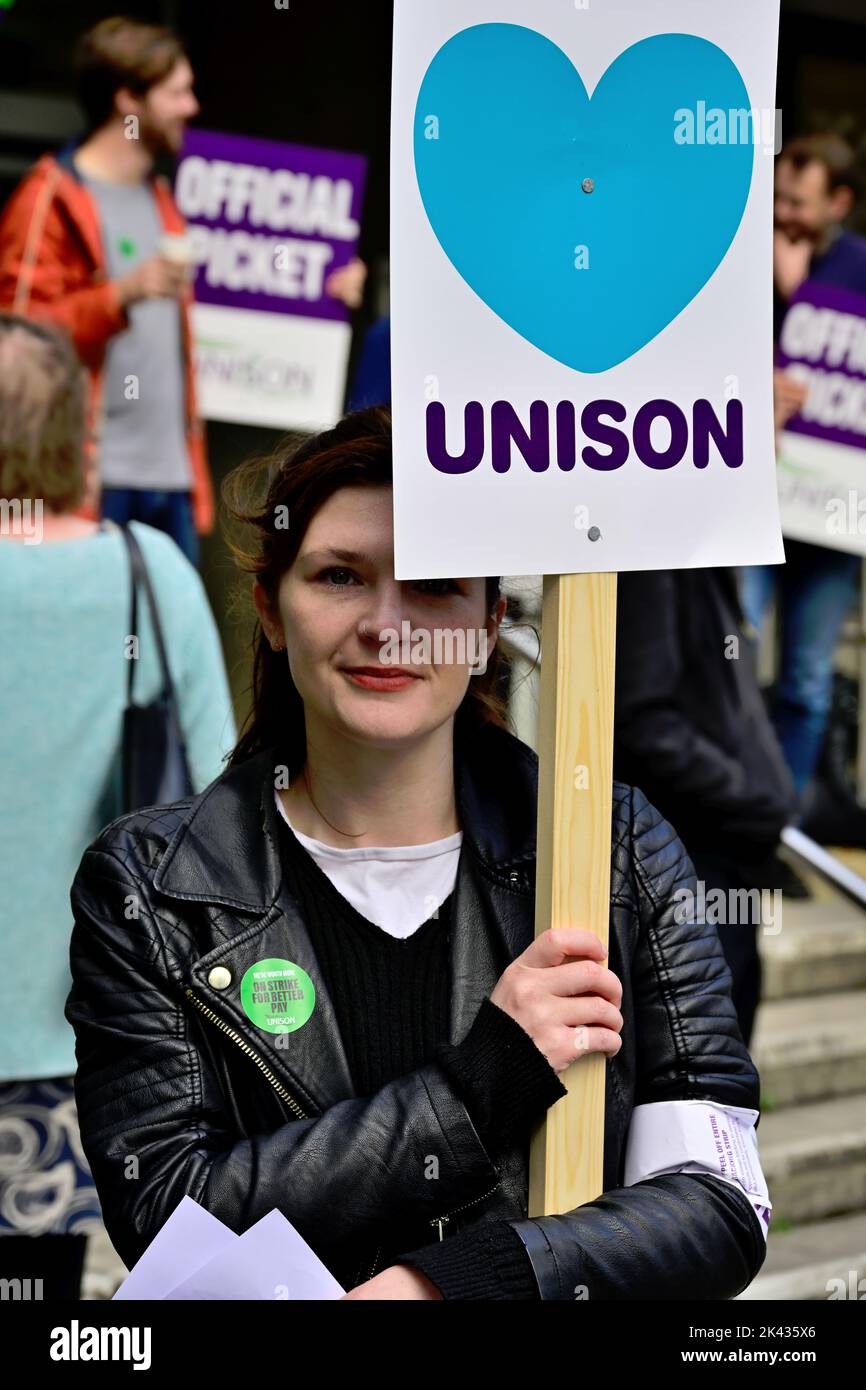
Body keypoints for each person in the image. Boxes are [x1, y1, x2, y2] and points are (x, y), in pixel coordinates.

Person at [66, 407, 770, 1301]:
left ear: (486, 628)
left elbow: (719, 1200)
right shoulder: (156, 886)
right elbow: (168, 1215)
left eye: (434, 585)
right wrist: (485, 1081)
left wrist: (446, 1289)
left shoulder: (616, 851)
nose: (387, 623)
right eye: (340, 577)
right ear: (271, 613)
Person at [0, 312, 235, 1298]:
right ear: (80, 435)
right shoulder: (152, 577)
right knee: (38, 1291)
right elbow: (224, 803)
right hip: (86, 1029)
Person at [0, 16, 212, 566]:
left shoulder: (160, 195)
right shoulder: (50, 195)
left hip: (172, 474)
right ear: (128, 100)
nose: (192, 106)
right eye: (178, 92)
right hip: (95, 477)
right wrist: (118, 296)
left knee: (164, 646)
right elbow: (16, 344)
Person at [741, 133, 866, 795]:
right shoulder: (743, 259)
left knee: (808, 679)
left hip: (833, 516)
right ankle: (729, 819)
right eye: (778, 199)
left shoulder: (857, 269)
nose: (783, 213)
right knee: (734, 648)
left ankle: (781, 828)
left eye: (799, 201)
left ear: (839, 202)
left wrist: (799, 294)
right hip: (754, 496)